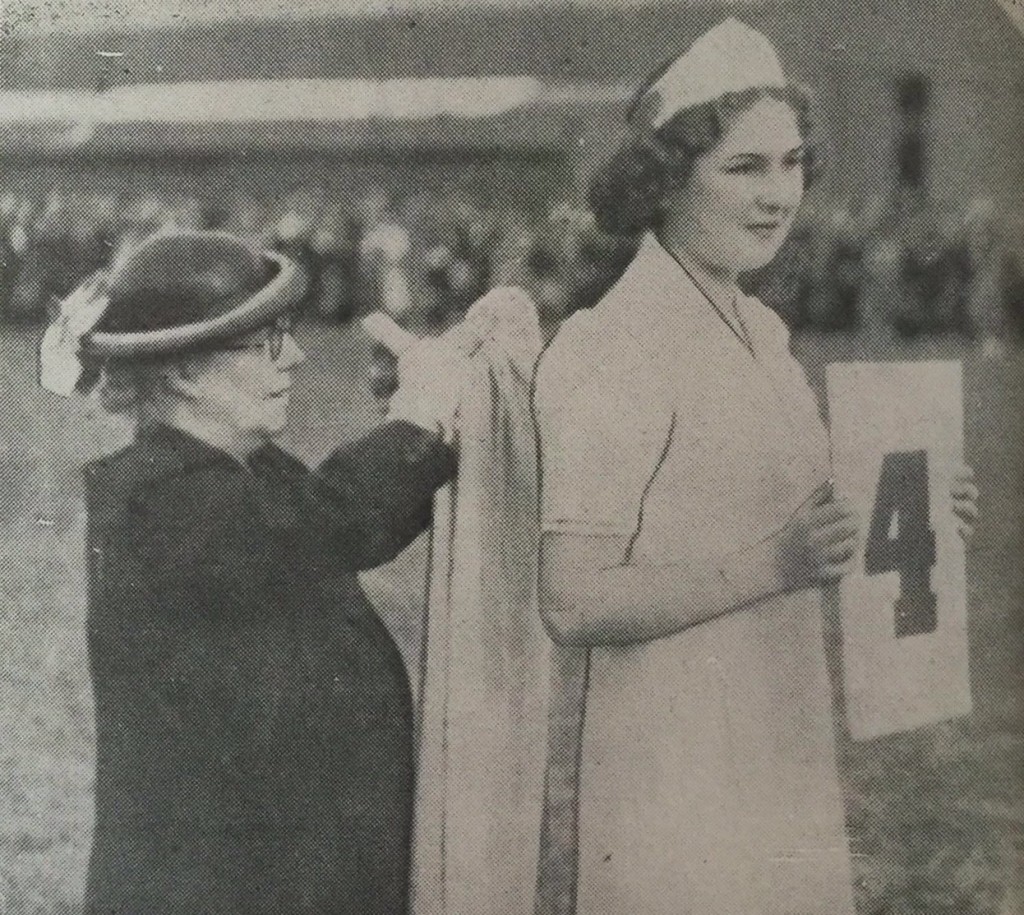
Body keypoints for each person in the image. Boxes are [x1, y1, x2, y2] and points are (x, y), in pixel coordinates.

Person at [532, 19, 979, 915]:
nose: (780, 194)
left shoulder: (763, 331)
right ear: (665, 178)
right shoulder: (611, 346)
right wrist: (773, 563)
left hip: (782, 723)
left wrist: (908, 509)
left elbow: (788, 515)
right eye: (744, 168)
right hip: (669, 761)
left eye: (791, 163)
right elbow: (572, 597)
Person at [41, 230, 466, 914]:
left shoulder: (238, 475)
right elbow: (337, 521)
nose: (294, 357)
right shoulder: (160, 499)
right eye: (266, 342)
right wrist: (418, 422)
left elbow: (330, 521)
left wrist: (409, 425)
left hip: (276, 863)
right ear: (182, 373)